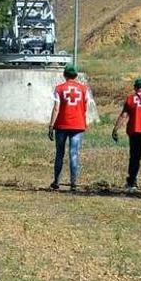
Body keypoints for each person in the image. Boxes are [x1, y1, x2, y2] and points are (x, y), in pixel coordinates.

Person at [47, 63, 91, 191]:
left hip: (61, 125)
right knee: (74, 153)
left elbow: (56, 109)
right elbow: (85, 105)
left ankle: (56, 181)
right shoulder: (83, 89)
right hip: (78, 125)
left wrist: (51, 126)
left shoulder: (59, 89)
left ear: (64, 75)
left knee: (59, 153)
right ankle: (73, 182)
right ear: (76, 75)